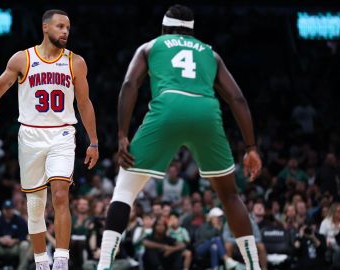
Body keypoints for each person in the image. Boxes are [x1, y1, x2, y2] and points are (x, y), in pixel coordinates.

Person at [98, 4, 262, 270]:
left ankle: (103, 265)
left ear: (164, 29)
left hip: (168, 108)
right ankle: (255, 266)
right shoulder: (211, 53)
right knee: (230, 196)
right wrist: (251, 147)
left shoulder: (151, 46)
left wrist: (121, 134)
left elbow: (130, 84)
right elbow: (237, 98)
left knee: (125, 189)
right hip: (206, 111)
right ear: (193, 32)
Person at [0, 9, 99, 270]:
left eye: (68, 27)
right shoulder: (22, 59)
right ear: (45, 28)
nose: (65, 31)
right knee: (35, 204)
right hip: (30, 136)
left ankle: (61, 260)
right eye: (60, 26)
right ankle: (41, 261)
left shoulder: (75, 62)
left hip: (63, 134)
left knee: (60, 193)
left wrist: (93, 141)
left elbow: (84, 103)